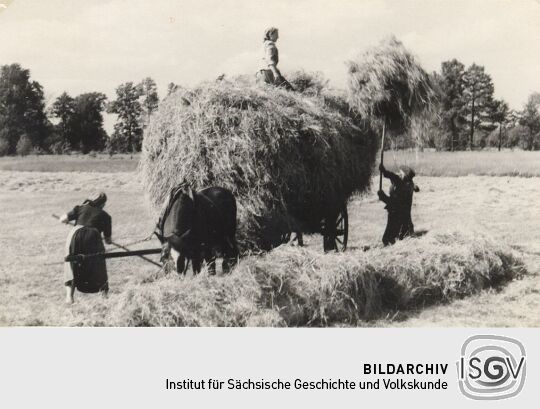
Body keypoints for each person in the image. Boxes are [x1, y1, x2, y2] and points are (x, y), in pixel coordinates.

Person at [60, 192, 112, 303]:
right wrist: (108, 240)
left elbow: (63, 219)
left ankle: (69, 297)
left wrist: (69, 221)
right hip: (93, 236)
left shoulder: (80, 208)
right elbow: (108, 241)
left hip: (75, 234)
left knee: (71, 262)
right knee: (98, 263)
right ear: (102, 204)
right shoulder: (105, 216)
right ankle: (104, 296)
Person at [377, 164, 420, 246]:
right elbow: (393, 177)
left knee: (388, 238)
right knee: (393, 235)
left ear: (405, 175)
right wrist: (384, 172)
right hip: (402, 214)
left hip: (397, 213)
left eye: (401, 173)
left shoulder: (402, 186)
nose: (399, 174)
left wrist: (383, 197)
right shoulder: (408, 183)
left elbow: (395, 203)